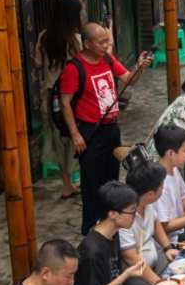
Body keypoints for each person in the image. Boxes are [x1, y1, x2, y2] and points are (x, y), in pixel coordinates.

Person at [60, 22, 152, 234]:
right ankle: (91, 227)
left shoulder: (108, 59)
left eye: (107, 40)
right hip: (89, 131)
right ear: (87, 43)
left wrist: (138, 67)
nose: (106, 45)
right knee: (92, 181)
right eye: (101, 42)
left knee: (111, 178)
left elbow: (129, 80)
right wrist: (75, 134)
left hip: (111, 128)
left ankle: (110, 222)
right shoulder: (74, 68)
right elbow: (65, 103)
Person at [74, 181, 149, 285]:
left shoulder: (113, 233)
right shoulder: (91, 251)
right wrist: (125, 275)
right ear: (113, 214)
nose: (135, 215)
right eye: (132, 211)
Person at [34, 0, 82, 199]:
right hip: (71, 97)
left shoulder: (44, 37)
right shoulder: (75, 40)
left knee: (58, 139)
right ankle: (78, 179)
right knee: (75, 137)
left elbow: (37, 63)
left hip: (49, 95)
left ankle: (66, 184)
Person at [120, 157, 176, 285]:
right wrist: (159, 284)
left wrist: (167, 247)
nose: (163, 188)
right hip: (137, 276)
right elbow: (132, 259)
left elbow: (155, 223)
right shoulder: (124, 216)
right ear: (151, 193)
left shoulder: (146, 202)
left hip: (156, 260)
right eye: (162, 186)